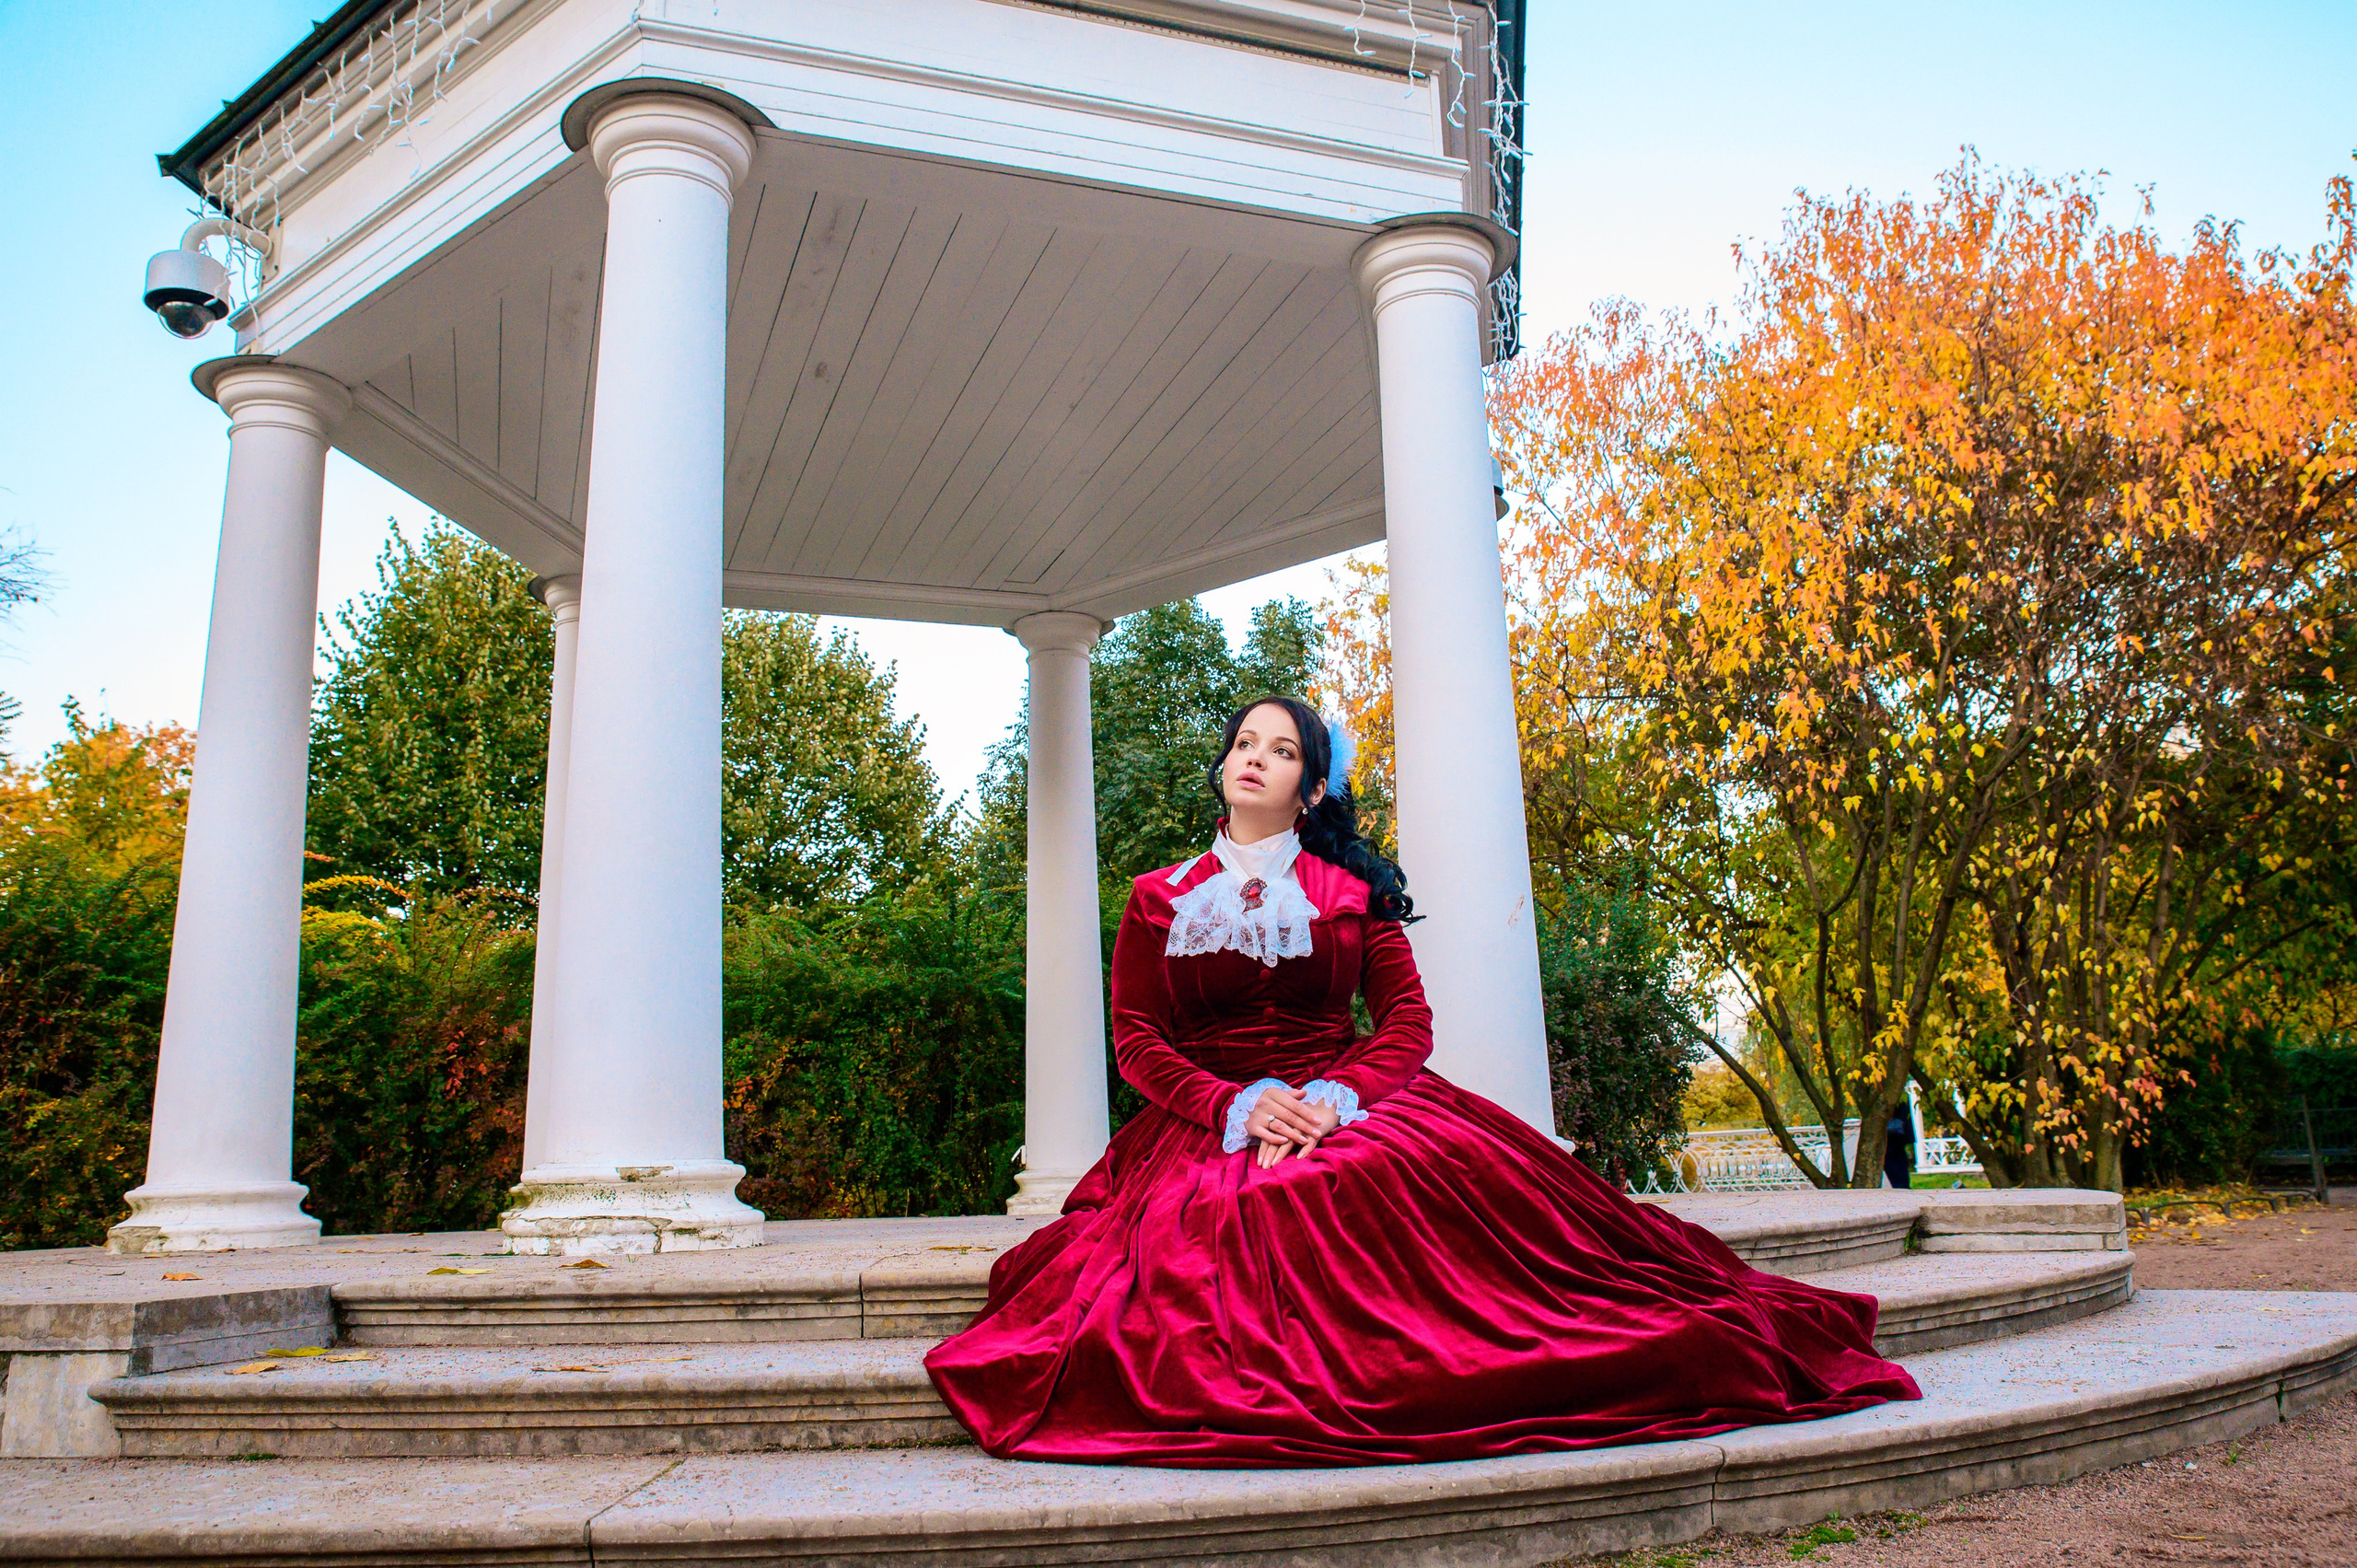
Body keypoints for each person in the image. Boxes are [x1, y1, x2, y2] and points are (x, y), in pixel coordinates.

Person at [925, 696, 1920, 1467]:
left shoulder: (1352, 893)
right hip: (1206, 1118)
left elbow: (1407, 1026)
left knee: (1375, 1174)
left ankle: (1451, 1368)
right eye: (1244, 742)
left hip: (1343, 1097)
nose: (1252, 755)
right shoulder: (1157, 898)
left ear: (1310, 788)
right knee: (1221, 1227)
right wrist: (1235, 1105)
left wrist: (1326, 1101)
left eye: (1278, 748)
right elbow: (1136, 1039)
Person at [1884, 1109, 1918, 1190]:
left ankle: (1900, 1185)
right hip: (1897, 1133)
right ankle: (1902, 1184)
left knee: (1893, 1161)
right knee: (1897, 1161)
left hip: (1893, 1133)